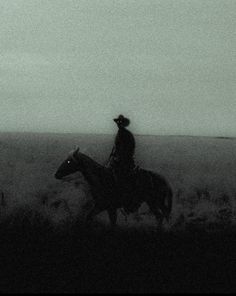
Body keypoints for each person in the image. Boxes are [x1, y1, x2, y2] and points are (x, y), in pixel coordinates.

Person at [108, 115, 138, 212]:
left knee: (121, 179)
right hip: (117, 161)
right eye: (118, 122)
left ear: (123, 124)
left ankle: (125, 201)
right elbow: (116, 148)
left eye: (120, 122)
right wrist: (113, 156)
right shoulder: (119, 133)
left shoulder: (127, 134)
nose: (119, 124)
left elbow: (130, 149)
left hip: (126, 162)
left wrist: (120, 158)